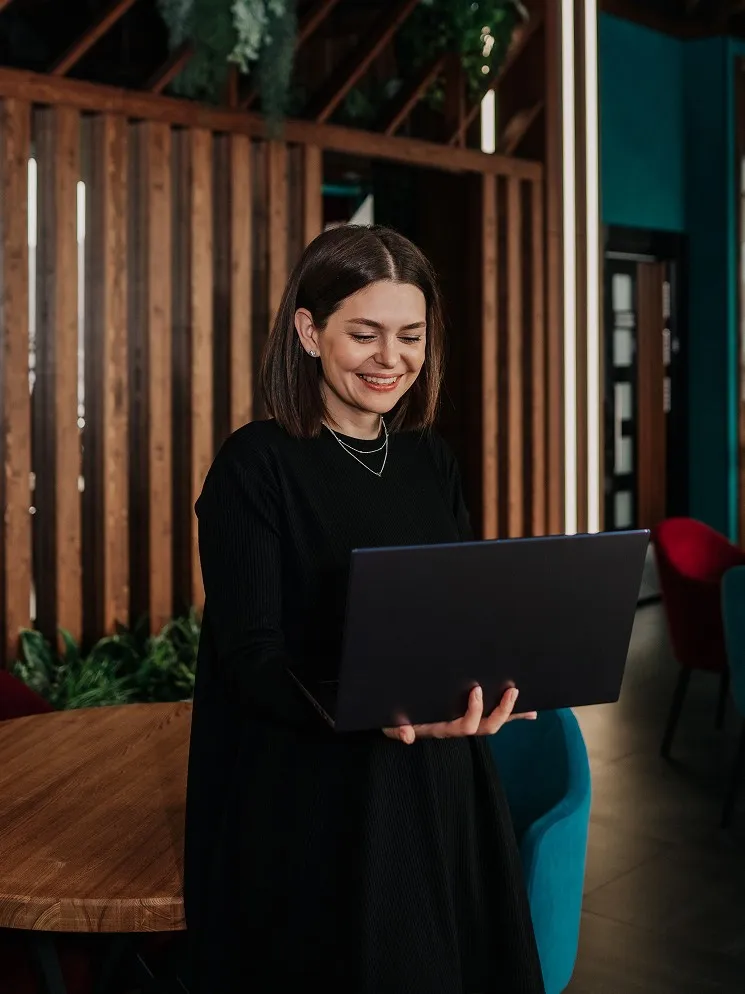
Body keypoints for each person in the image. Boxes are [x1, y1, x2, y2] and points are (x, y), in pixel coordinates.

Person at [184, 224, 546, 993]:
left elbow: (455, 612)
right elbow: (248, 659)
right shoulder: (255, 464)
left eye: (410, 335)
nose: (391, 359)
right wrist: (368, 704)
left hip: (442, 779)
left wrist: (493, 675)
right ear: (309, 332)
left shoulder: (429, 458)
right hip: (318, 796)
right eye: (365, 334)